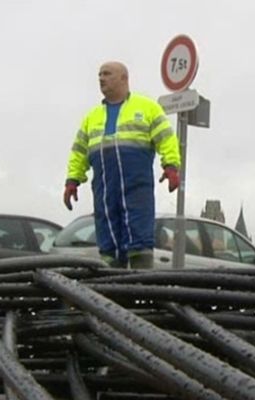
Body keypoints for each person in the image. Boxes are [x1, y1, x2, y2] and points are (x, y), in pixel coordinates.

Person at [63, 61, 180, 269]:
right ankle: (111, 290)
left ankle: (140, 289)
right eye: (99, 74)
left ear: (124, 78)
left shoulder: (147, 108)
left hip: (136, 185)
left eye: (107, 74)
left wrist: (171, 165)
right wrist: (72, 179)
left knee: (139, 237)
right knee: (107, 240)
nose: (101, 78)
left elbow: (166, 138)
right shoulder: (92, 117)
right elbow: (79, 151)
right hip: (105, 188)